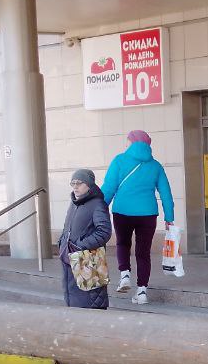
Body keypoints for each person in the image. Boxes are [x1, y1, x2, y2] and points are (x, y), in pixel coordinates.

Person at [101, 129, 175, 306]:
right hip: (148, 214)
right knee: (143, 253)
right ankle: (142, 291)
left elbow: (109, 187)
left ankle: (125, 274)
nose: (125, 144)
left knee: (123, 244)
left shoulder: (119, 160)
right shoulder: (156, 165)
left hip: (122, 211)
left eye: (127, 141)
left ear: (132, 142)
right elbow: (166, 193)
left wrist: (99, 209)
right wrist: (169, 217)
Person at [58, 169, 113, 309]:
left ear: (89, 185)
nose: (75, 186)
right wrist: (62, 243)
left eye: (79, 183)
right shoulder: (74, 203)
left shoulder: (97, 204)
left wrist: (80, 246)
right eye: (73, 183)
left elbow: (104, 231)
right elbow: (68, 227)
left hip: (88, 260)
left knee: (89, 301)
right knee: (73, 301)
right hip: (70, 257)